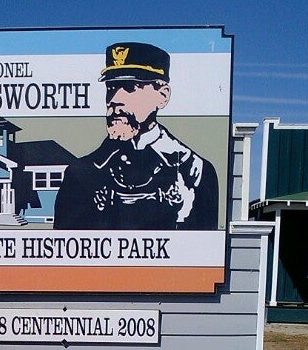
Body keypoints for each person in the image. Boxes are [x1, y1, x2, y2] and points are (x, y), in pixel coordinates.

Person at [54, 42, 219, 230]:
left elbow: (204, 254)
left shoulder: (193, 171)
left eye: (130, 87)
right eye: (111, 88)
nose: (115, 99)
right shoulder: (81, 173)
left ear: (162, 96)